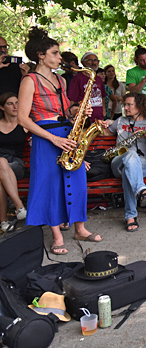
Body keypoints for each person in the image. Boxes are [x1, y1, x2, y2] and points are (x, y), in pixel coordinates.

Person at [17, 27, 102, 255]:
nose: (59, 58)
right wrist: (53, 139)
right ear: (40, 55)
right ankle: (56, 236)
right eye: (55, 53)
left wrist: (78, 112)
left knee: (77, 180)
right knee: (51, 186)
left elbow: (66, 109)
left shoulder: (60, 81)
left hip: (67, 134)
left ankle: (80, 229)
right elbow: (22, 118)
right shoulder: (30, 80)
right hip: (47, 138)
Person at [101, 92, 146, 232]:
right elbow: (106, 133)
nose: (125, 108)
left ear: (139, 105)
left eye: (129, 105)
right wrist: (105, 124)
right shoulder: (120, 120)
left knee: (129, 171)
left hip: (142, 164)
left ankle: (131, 216)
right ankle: (141, 191)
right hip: (117, 161)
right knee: (130, 155)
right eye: (124, 105)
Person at [0, 92, 28, 232]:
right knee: (1, 165)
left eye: (17, 102)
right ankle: (19, 207)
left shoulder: (24, 123)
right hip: (1, 166)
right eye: (10, 104)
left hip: (16, 164)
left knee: (2, 163)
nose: (15, 106)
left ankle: (4, 220)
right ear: (2, 107)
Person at [67, 52, 106, 122]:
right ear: (83, 62)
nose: (93, 63)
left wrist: (103, 110)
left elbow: (102, 96)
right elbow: (72, 99)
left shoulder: (98, 79)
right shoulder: (77, 78)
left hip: (99, 117)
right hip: (84, 119)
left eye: (95, 60)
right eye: (90, 60)